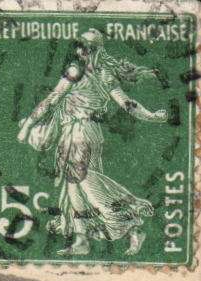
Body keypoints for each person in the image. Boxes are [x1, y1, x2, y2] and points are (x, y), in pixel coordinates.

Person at [16, 29, 173, 257]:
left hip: (79, 132)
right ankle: (82, 241)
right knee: (74, 189)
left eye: (83, 46)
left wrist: (27, 126)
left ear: (86, 49)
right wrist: (151, 116)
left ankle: (131, 219)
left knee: (84, 182)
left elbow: (52, 99)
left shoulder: (75, 70)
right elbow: (128, 104)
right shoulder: (105, 73)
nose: (80, 50)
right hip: (87, 133)